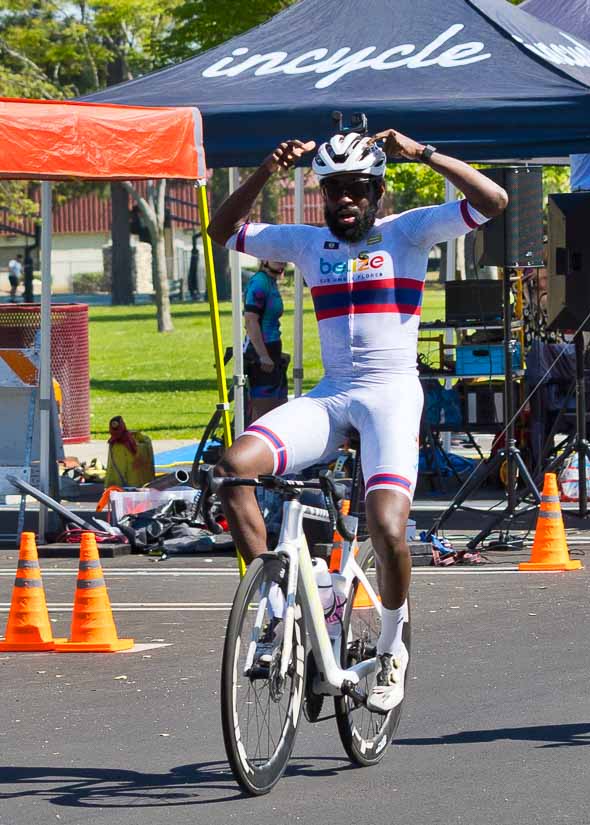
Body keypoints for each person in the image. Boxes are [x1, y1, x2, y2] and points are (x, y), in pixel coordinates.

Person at [207, 128, 507, 713]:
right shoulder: (305, 242)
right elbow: (221, 231)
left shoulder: (408, 231)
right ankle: (273, 615)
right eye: (333, 190)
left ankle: (392, 647)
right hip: (332, 396)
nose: (344, 200)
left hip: (391, 396)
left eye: (356, 189)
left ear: (377, 192)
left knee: (388, 527)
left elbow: (492, 202)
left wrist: (424, 154)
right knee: (233, 471)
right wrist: (267, 168)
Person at [243, 259, 289, 422]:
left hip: (273, 350)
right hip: (260, 352)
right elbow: (250, 321)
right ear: (264, 259)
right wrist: (263, 355)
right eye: (276, 257)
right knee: (263, 413)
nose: (282, 262)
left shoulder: (270, 282)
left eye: (283, 257)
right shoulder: (260, 282)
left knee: (279, 409)